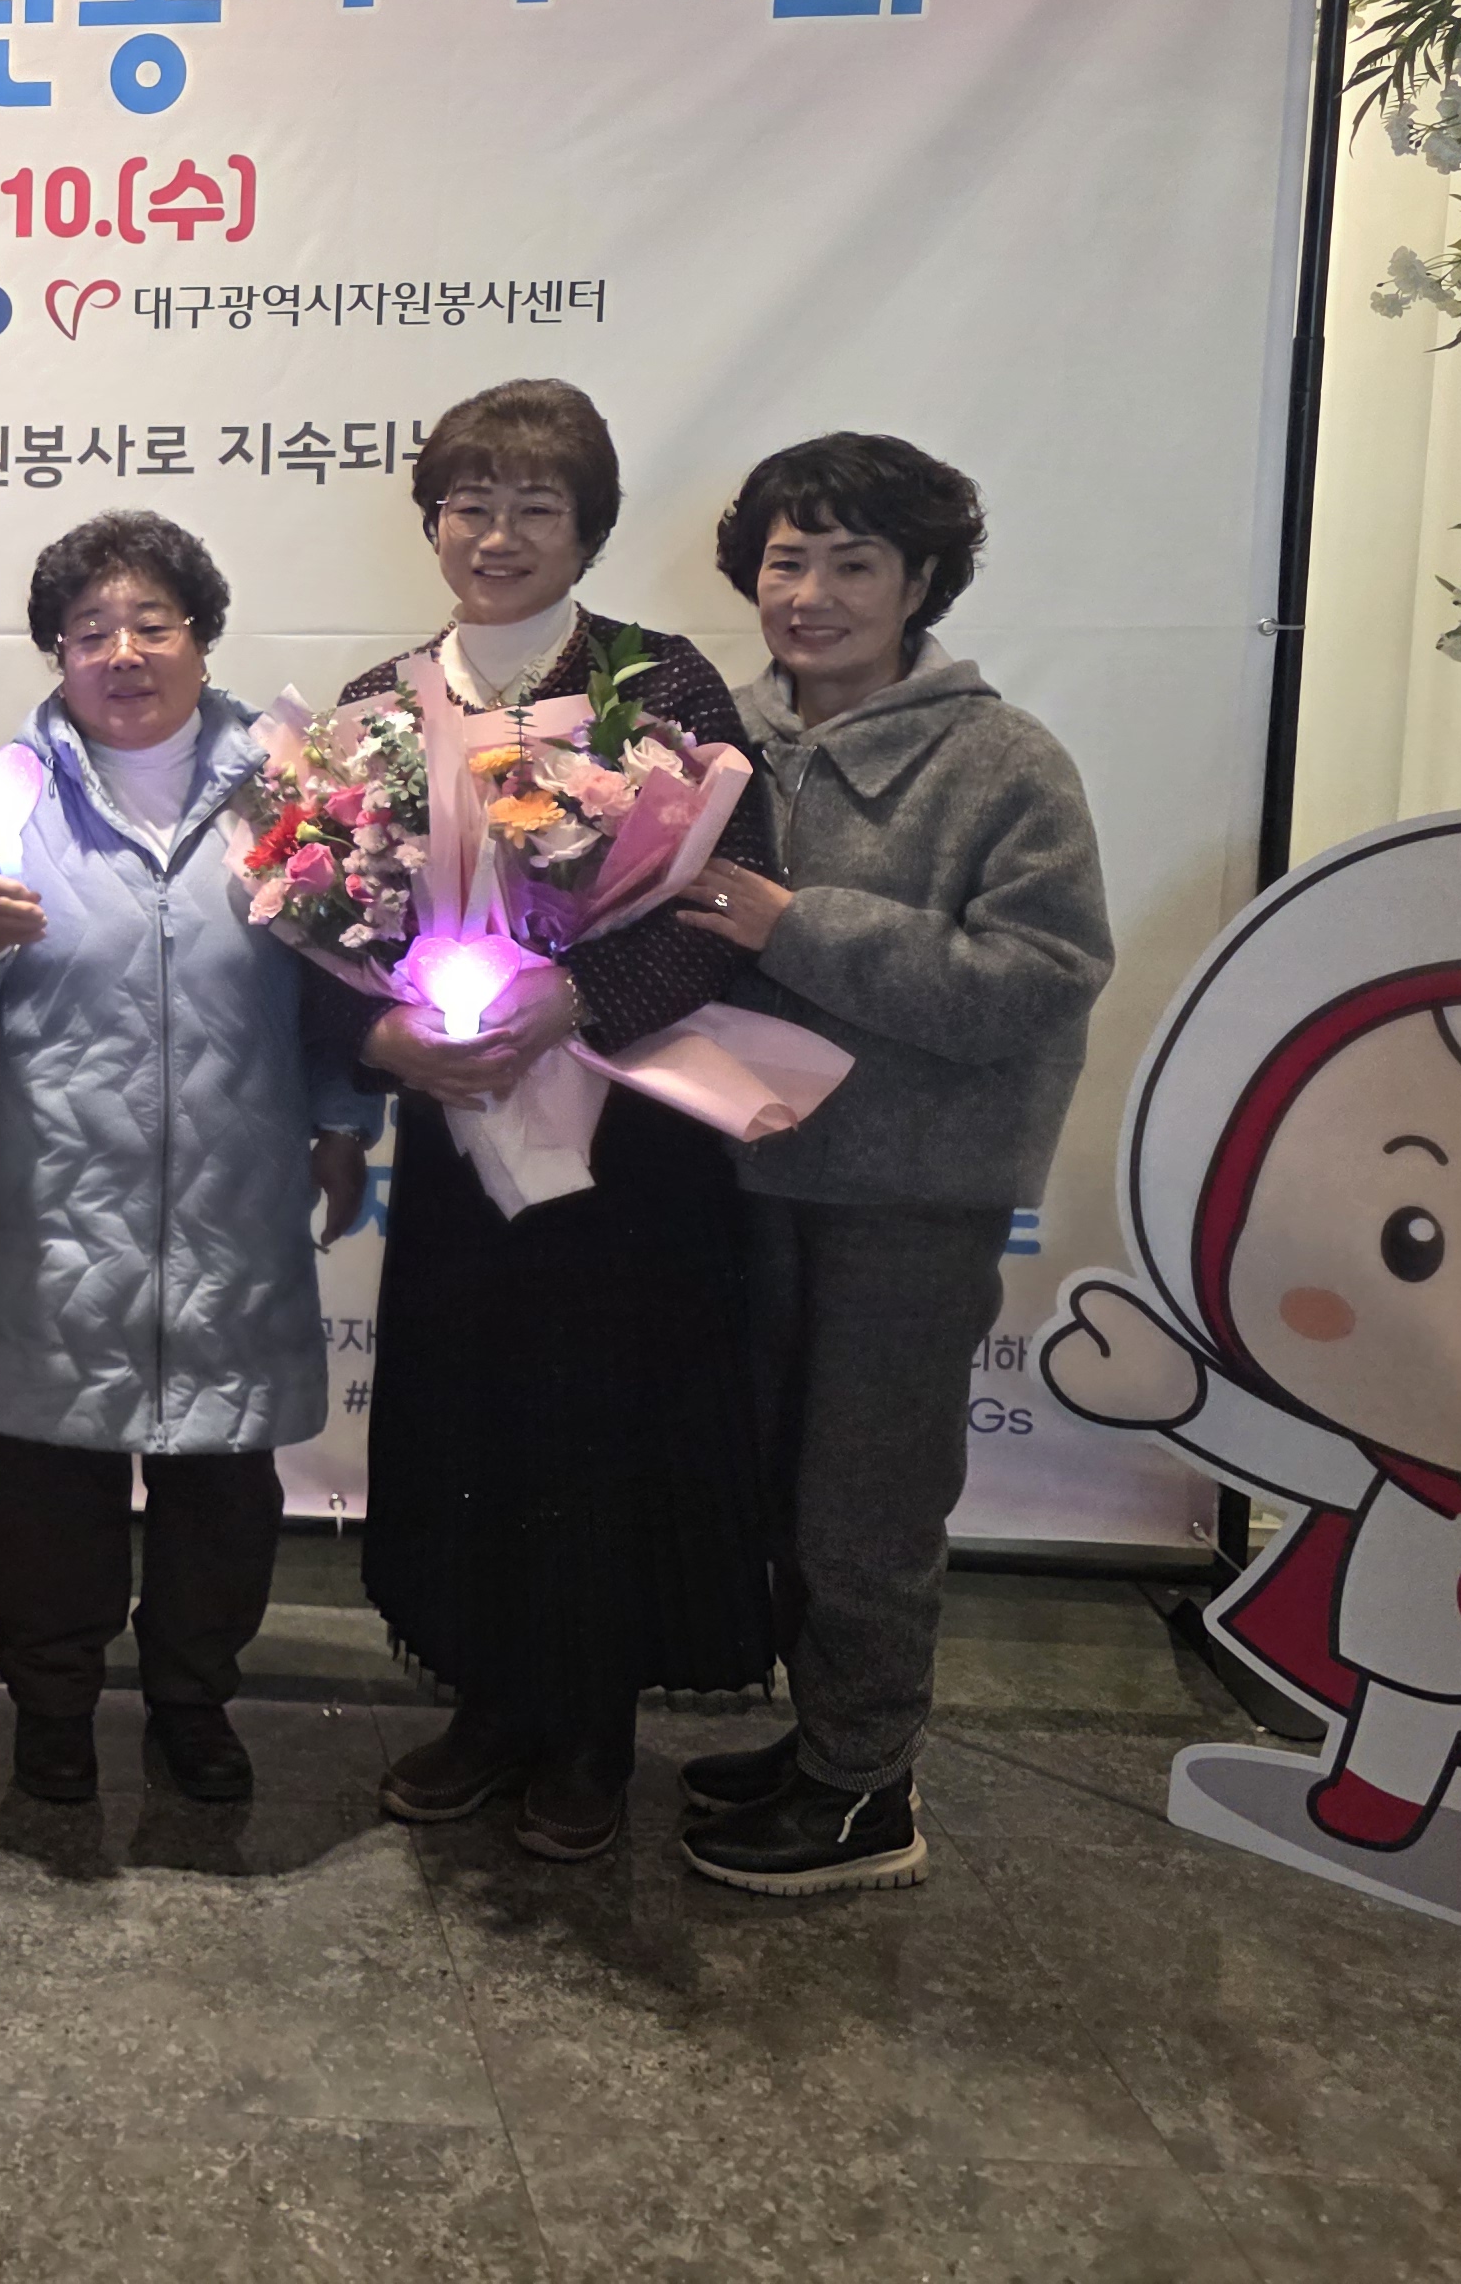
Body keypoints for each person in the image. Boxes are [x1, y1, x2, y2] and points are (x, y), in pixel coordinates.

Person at [321, 378, 780, 1863]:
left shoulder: (662, 687)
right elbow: (312, 926)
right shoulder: (379, 707)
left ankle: (589, 1735)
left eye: (537, 506)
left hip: (630, 1138)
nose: (498, 534)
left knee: (607, 1424)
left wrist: (575, 998)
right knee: (470, 1415)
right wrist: (381, 1035)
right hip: (459, 1137)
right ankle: (489, 1706)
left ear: (589, 530)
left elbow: (725, 905)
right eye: (470, 503)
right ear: (431, 521)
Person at [669, 434, 1112, 1894]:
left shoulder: (1001, 762)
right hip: (733, 1182)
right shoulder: (708, 741)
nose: (812, 595)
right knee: (770, 1490)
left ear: (921, 582)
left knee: (868, 1501)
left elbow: (1037, 979)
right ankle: (822, 1744)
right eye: (786, 561)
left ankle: (867, 1788)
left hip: (906, 1197)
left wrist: (793, 925)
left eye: (853, 564)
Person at [0, 511, 366, 1806]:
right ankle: (51, 1709)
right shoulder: (0, 797)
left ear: (203, 639)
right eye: (89, 629)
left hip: (235, 1209)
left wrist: (343, 1123)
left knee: (224, 1491)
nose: (122, 652)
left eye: (152, 623)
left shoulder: (290, 795)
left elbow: (338, 985)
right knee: (49, 1492)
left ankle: (193, 1704)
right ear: (56, 652)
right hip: (56, 1213)